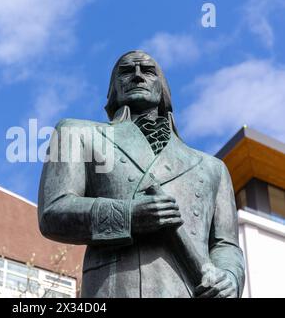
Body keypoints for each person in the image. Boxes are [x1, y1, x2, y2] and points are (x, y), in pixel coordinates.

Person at [37, 50, 245, 298]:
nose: (137, 76)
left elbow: (225, 244)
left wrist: (229, 277)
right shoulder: (76, 133)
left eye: (147, 71)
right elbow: (53, 212)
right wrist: (129, 215)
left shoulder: (211, 167)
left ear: (163, 88)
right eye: (126, 71)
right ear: (113, 89)